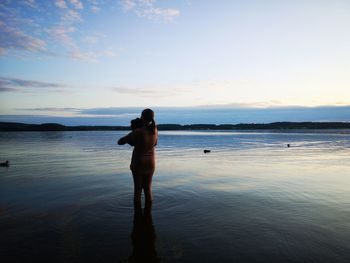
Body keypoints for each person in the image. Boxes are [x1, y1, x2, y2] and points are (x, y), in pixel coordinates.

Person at [118, 109, 158, 206]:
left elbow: (120, 142)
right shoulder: (154, 130)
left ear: (142, 117)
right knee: (148, 189)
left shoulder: (138, 131)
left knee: (138, 190)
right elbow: (155, 144)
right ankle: (148, 215)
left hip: (138, 162)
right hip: (151, 163)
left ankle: (137, 216)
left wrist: (131, 139)